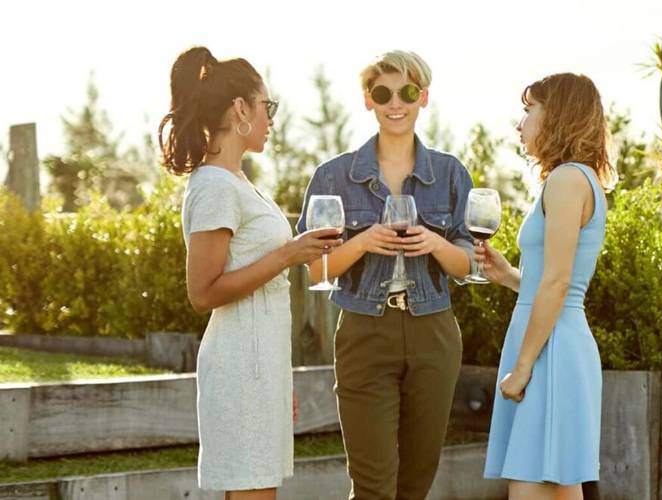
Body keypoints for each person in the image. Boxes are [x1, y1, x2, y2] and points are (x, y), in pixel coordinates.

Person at [294, 50, 476, 499]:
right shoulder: (334, 176)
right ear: (368, 101)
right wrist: (363, 242)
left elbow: (470, 265)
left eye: (407, 92)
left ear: (424, 97)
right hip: (363, 331)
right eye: (383, 93)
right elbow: (316, 267)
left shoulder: (451, 174)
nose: (396, 103)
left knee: (416, 483)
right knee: (374, 485)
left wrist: (436, 244)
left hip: (433, 331)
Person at [162, 45, 337, 499]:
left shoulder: (237, 181)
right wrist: (289, 255)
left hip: (260, 366)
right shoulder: (215, 186)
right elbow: (203, 293)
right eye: (267, 106)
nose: (271, 118)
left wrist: (281, 379)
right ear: (241, 109)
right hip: (240, 367)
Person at [472, 72, 612, 500]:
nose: (520, 123)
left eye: (529, 109)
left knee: (532, 487)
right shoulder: (574, 178)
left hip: (551, 353)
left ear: (558, 116)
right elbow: (550, 284)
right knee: (555, 488)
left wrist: (525, 366)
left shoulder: (568, 180)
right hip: (554, 344)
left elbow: (558, 282)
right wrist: (509, 276)